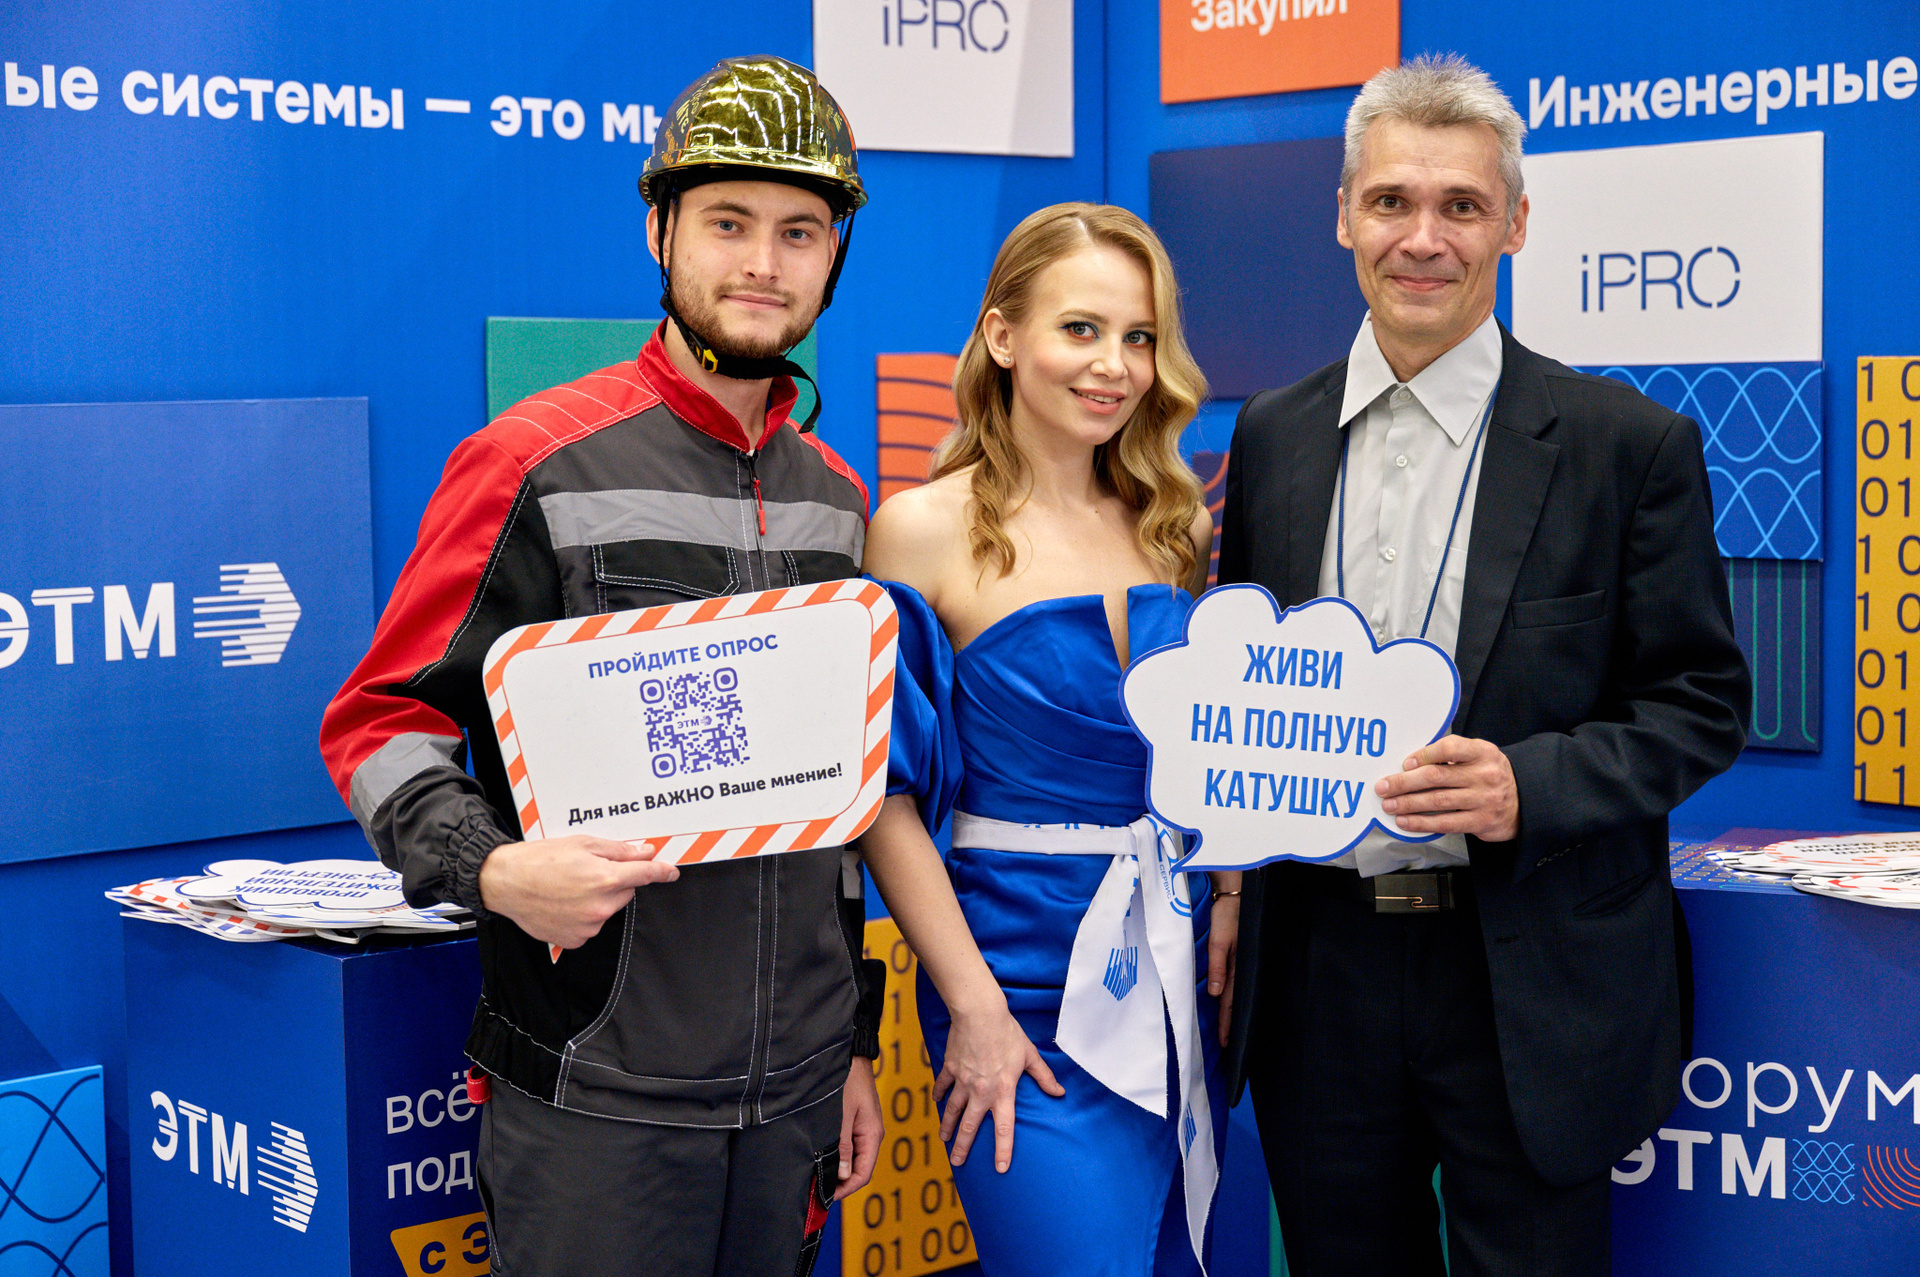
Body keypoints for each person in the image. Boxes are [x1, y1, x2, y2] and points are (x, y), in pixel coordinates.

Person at [318, 56, 887, 1277]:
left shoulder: (839, 500)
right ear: (659, 231)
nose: (763, 262)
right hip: (598, 1096)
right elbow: (378, 722)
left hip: (793, 1102)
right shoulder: (535, 461)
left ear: (834, 252)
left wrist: (853, 1044)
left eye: (799, 231)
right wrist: (494, 867)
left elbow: (834, 810)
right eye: (727, 222)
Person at [1217, 55, 1750, 1276]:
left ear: (1514, 222)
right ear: (1343, 215)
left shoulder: (1627, 445)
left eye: (1461, 205)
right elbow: (1250, 684)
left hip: (1529, 968)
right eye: (1392, 201)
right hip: (1319, 970)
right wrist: (1236, 884)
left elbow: (1704, 702)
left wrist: (1528, 783)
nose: (1424, 238)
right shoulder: (1274, 433)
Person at [860, 203, 1234, 1277]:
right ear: (1002, 336)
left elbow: (1214, 755)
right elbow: (882, 800)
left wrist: (1233, 893)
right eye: (1081, 328)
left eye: (1139, 336)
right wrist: (972, 1004)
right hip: (1017, 989)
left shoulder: (1177, 524)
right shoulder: (918, 528)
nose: (1114, 364)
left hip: (1179, 980)